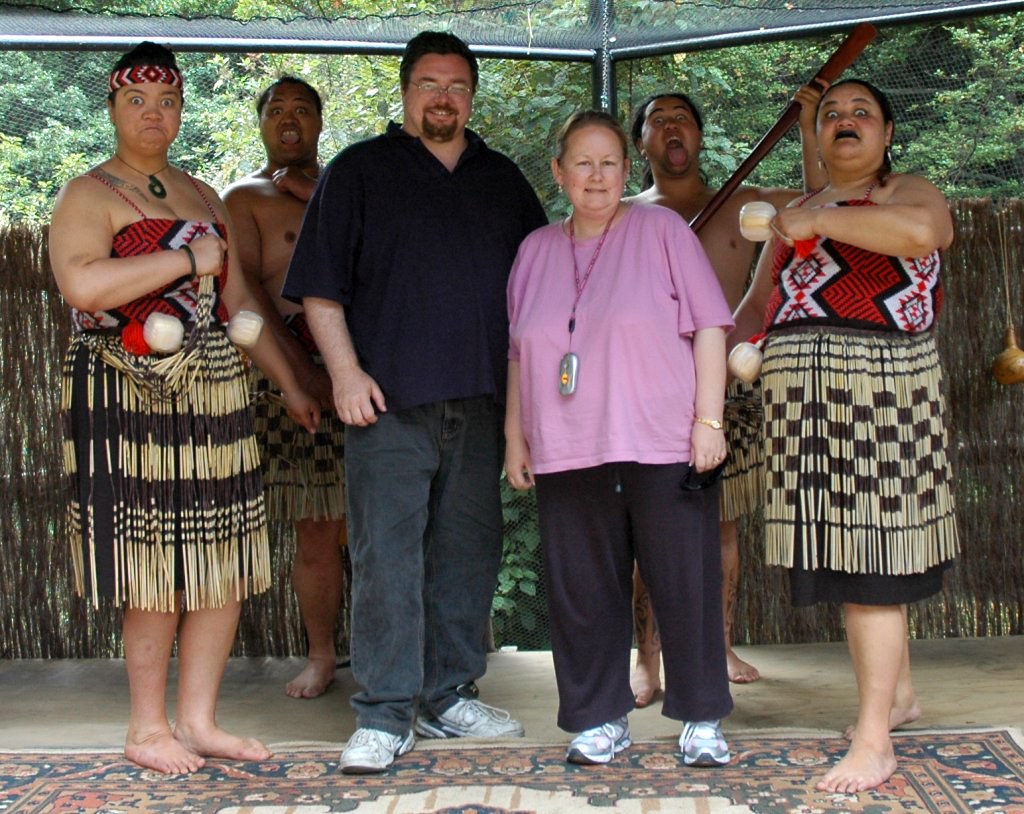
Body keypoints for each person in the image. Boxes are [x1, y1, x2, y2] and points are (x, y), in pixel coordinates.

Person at [48, 42, 320, 775]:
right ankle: (147, 728)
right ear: (111, 108)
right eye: (136, 100)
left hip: (215, 391)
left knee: (220, 560)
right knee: (154, 566)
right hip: (127, 392)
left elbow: (238, 307)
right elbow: (82, 286)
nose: (152, 114)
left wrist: (290, 383)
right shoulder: (88, 194)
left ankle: (198, 720)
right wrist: (182, 260)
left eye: (166, 100)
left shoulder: (203, 197)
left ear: (181, 111)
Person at [281, 31, 548, 774]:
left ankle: (449, 694)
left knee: (467, 552)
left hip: (483, 402)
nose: (444, 97)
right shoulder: (360, 171)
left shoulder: (502, 179)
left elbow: (540, 295)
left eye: (458, 85)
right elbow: (320, 287)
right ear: (406, 92)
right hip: (387, 402)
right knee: (385, 557)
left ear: (471, 96)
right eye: (430, 83)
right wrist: (343, 374)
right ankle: (385, 713)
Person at [730, 78, 958, 792]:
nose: (845, 122)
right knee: (856, 560)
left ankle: (874, 742)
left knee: (870, 571)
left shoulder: (903, 193)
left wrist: (816, 221)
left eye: (863, 113)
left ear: (890, 134)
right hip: (809, 407)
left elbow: (924, 235)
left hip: (879, 401)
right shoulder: (811, 205)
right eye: (833, 116)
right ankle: (899, 698)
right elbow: (810, 210)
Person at [505, 110, 735, 767]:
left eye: (609, 162)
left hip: (662, 439)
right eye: (583, 162)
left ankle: (700, 719)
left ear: (626, 171)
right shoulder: (534, 251)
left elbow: (711, 327)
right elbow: (520, 354)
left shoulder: (661, 230)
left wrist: (708, 421)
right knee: (581, 588)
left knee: (685, 580)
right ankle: (600, 717)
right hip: (567, 445)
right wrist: (515, 436)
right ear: (558, 172)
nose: (597, 175)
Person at [625, 89, 824, 700]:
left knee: (723, 527)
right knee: (645, 529)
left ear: (701, 135)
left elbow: (821, 202)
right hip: (650, 391)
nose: (671, 128)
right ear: (642, 144)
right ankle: (647, 657)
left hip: (730, 389)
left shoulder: (746, 206)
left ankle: (720, 641)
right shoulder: (626, 216)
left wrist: (809, 127)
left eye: (682, 118)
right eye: (657, 122)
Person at [222, 77, 347, 700]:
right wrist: (301, 376)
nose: (289, 119)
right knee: (320, 527)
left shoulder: (348, 188)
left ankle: (395, 653)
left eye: (302, 109)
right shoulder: (243, 199)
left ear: (322, 122)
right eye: (276, 109)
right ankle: (321, 654)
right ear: (261, 123)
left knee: (387, 527)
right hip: (289, 389)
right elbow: (242, 295)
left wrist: (322, 196)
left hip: (366, 383)